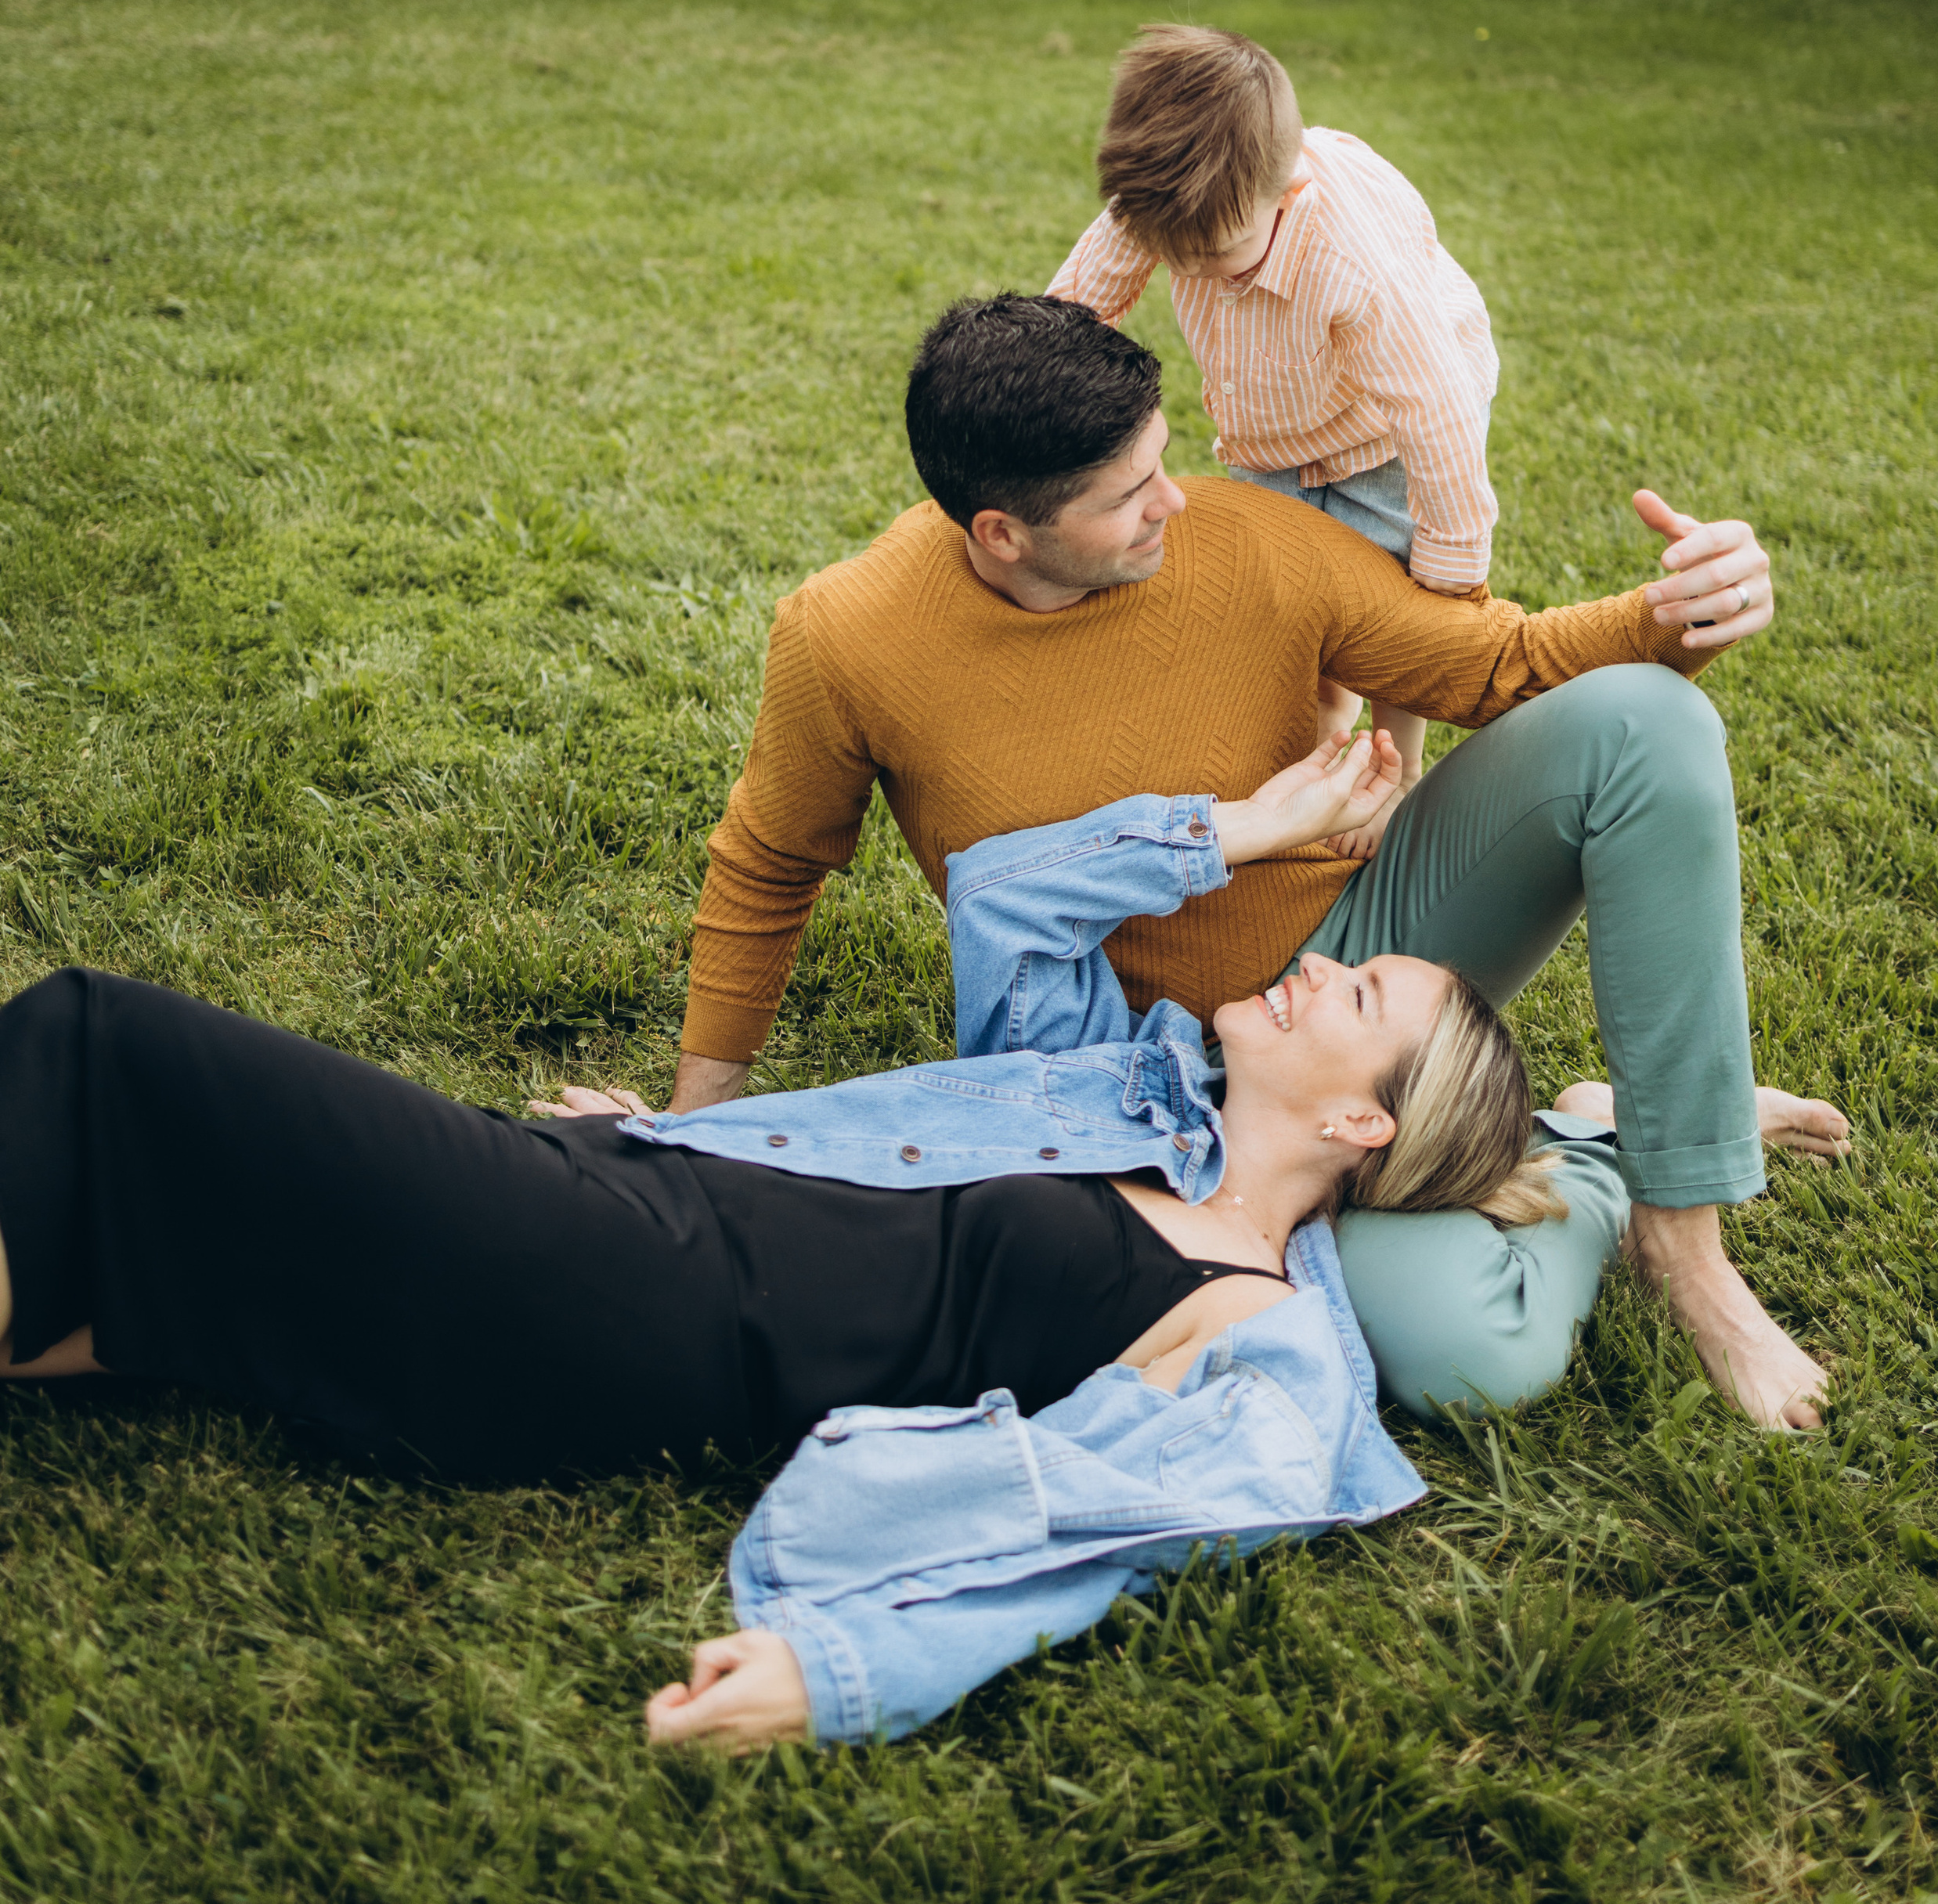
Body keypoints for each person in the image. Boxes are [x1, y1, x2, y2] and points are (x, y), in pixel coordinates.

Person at [0, 735, 1561, 1751]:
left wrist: (838, 1675)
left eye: (1356, 1000)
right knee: (151, 1274)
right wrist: (1255, 821)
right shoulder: (1125, 1081)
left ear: (1363, 1129)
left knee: (102, 1043)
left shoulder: (1257, 1333)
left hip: (621, 1305)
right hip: (626, 1201)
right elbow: (1010, 897)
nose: (1317, 970)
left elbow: (1087, 1542)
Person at [670, 290, 1842, 1430]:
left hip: (1360, 961)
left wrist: (1671, 616)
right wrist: (688, 1121)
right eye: (1131, 496)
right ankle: (1587, 1138)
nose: (1175, 502)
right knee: (1459, 1349)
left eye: (1163, 459)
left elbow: (1495, 663)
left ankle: (1686, 1247)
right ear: (1003, 533)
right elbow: (771, 863)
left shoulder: (1247, 538)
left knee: (1646, 721)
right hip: (1150, 1086)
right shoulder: (845, 635)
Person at [1050, 23, 1502, 848]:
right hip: (1274, 434)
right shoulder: (1168, 203)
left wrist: (1450, 573)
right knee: (1288, 613)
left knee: (1395, 618)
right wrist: (1036, 379)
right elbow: (1080, 303)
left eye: (1215, 255)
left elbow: (1434, 416)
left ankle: (1391, 771)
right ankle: (1313, 752)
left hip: (1384, 442)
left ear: (1287, 194)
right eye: (1169, 255)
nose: (1189, 272)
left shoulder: (1354, 266)